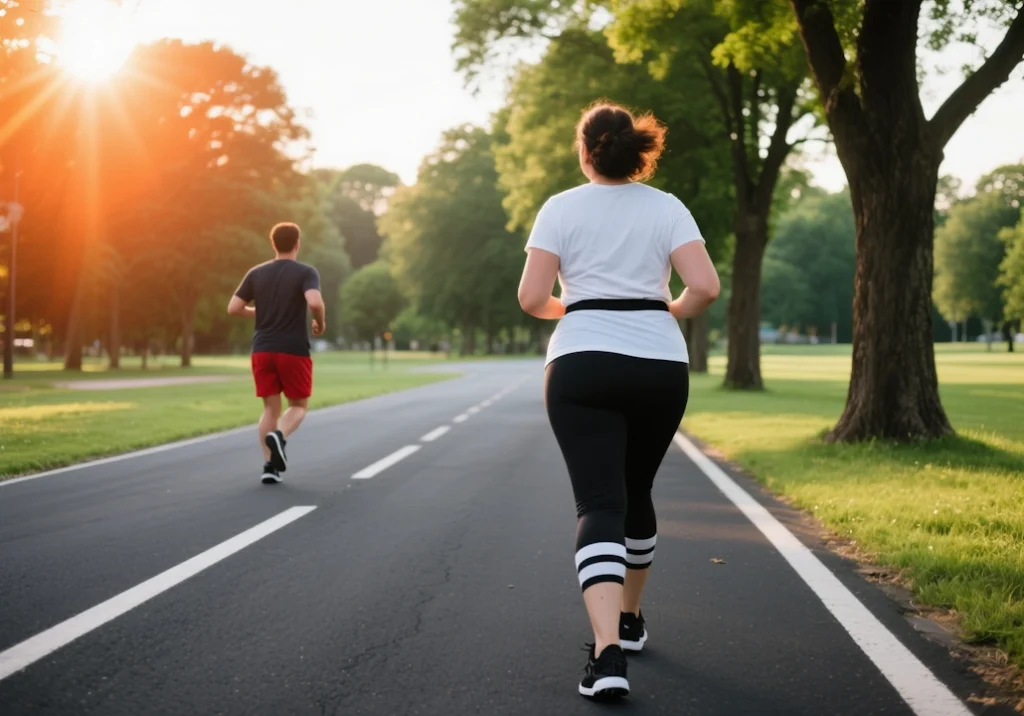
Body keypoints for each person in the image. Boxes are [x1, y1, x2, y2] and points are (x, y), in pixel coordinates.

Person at [517, 102, 720, 699]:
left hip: (580, 364)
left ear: (585, 151)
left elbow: (532, 298)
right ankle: (630, 620)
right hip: (659, 365)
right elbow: (704, 286)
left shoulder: (559, 207)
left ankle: (607, 655)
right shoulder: (667, 207)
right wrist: (669, 310)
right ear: (635, 151)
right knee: (637, 492)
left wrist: (576, 308)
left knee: (599, 503)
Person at [227, 222, 326, 484]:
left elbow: (234, 308)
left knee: (270, 409)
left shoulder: (256, 273)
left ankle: (270, 467)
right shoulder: (306, 272)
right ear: (297, 244)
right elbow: (314, 302)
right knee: (298, 405)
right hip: (292, 350)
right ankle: (279, 437)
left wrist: (260, 312)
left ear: (273, 244)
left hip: (262, 349)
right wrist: (321, 323)